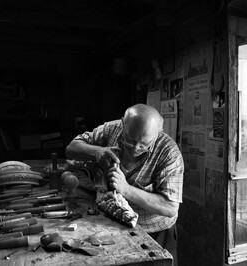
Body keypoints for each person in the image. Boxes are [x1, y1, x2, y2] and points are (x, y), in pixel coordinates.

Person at [65, 104, 184, 266]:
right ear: (123, 124)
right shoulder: (111, 129)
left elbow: (170, 208)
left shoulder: (169, 153)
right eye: (131, 140)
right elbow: (71, 148)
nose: (135, 148)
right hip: (113, 224)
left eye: (144, 144)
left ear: (158, 132)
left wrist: (126, 189)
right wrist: (96, 151)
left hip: (155, 231)